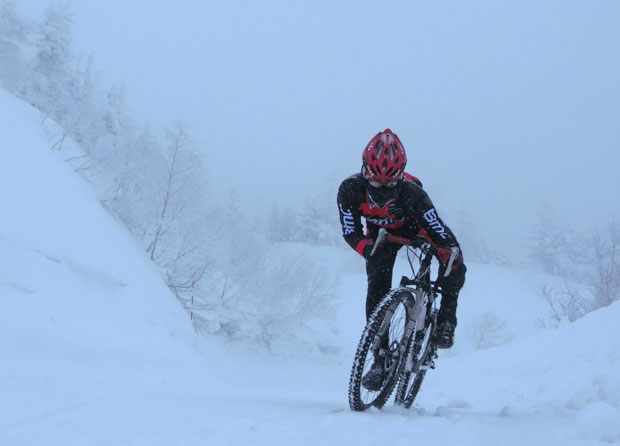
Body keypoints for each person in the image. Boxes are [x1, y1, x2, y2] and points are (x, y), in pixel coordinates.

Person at [337, 129, 466, 390]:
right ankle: (379, 360)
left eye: (389, 184)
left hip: (416, 228)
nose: (381, 189)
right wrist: (366, 248)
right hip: (381, 235)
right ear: (364, 171)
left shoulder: (413, 193)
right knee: (377, 288)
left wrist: (448, 257)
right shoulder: (350, 189)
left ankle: (446, 320)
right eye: (374, 184)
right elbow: (351, 231)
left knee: (455, 262)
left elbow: (438, 231)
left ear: (400, 176)